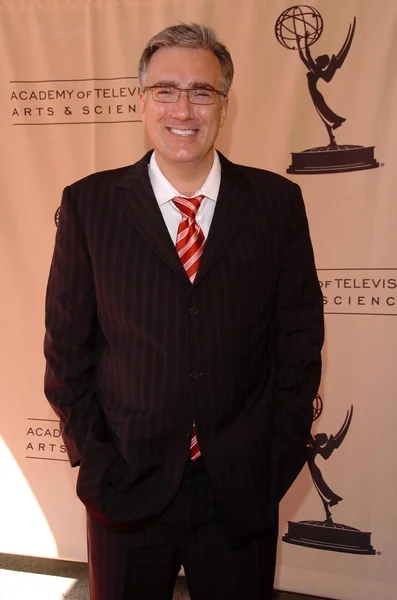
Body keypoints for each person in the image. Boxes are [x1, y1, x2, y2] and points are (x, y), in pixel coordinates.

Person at [44, 23, 324, 600]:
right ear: (142, 99)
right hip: (126, 486)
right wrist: (95, 464)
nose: (184, 108)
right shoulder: (89, 206)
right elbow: (67, 351)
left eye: (202, 91)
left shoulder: (276, 204)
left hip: (240, 490)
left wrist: (273, 460)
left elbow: (297, 343)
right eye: (167, 90)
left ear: (225, 104)